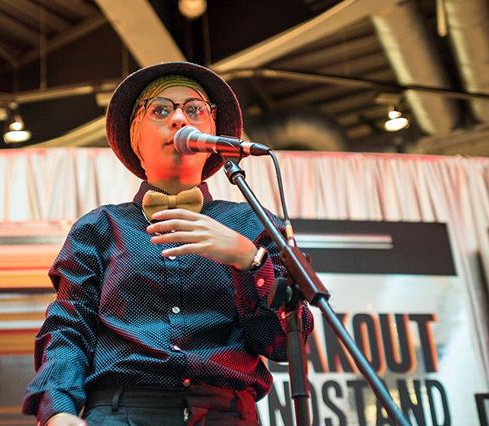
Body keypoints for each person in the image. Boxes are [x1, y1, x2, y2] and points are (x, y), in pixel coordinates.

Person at [22, 61, 312, 426]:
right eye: (161, 110)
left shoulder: (254, 223)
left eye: (194, 110)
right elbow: (68, 327)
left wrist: (249, 259)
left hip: (228, 414)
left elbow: (283, 344)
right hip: (121, 411)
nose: (179, 119)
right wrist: (57, 409)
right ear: (135, 138)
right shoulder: (98, 228)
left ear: (214, 135)